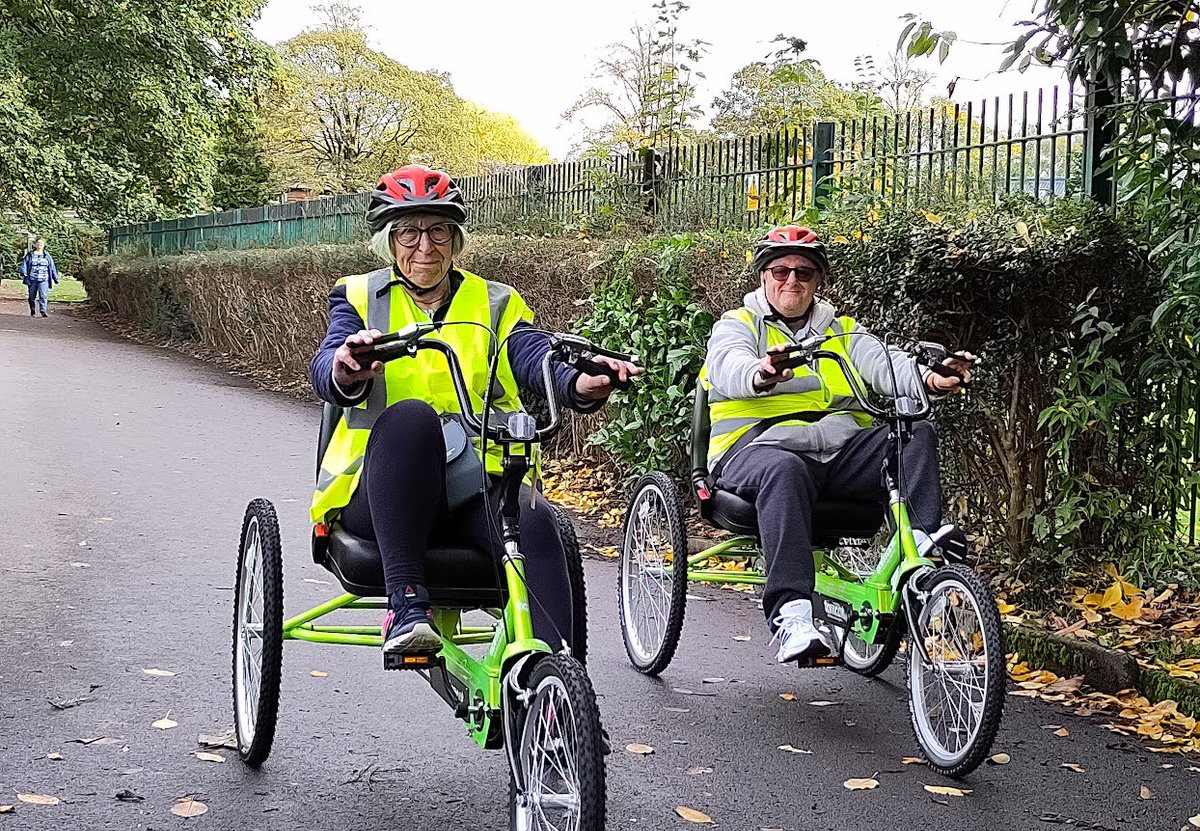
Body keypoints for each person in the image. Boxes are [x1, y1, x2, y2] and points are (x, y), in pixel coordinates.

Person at [310, 165, 641, 660]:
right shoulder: (358, 296)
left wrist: (578, 381)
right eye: (409, 230)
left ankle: (559, 698)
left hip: (476, 482)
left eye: (438, 229)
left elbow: (532, 354)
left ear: (456, 237)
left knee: (539, 529)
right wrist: (347, 367)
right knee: (410, 418)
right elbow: (328, 362)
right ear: (388, 239)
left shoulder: (495, 302)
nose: (424, 246)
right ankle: (406, 610)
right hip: (380, 491)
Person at [701, 225, 976, 664]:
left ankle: (921, 554)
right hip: (755, 451)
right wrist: (761, 374)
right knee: (784, 469)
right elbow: (728, 363)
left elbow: (887, 365)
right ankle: (791, 614)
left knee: (912, 430)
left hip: (836, 455)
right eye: (781, 270)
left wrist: (930, 377)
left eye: (805, 273)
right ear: (763, 276)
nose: (792, 280)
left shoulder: (842, 330)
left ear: (818, 280)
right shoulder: (739, 325)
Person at [19, 237, 60, 318]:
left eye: (41, 243)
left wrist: (55, 278)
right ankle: (33, 310)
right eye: (38, 243)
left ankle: (43, 311)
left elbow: (52, 267)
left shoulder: (47, 255)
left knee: (43, 295)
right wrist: (23, 272)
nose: (39, 245)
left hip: (44, 279)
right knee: (31, 296)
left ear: (44, 245)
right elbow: (24, 264)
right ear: (35, 244)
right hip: (32, 279)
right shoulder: (30, 255)